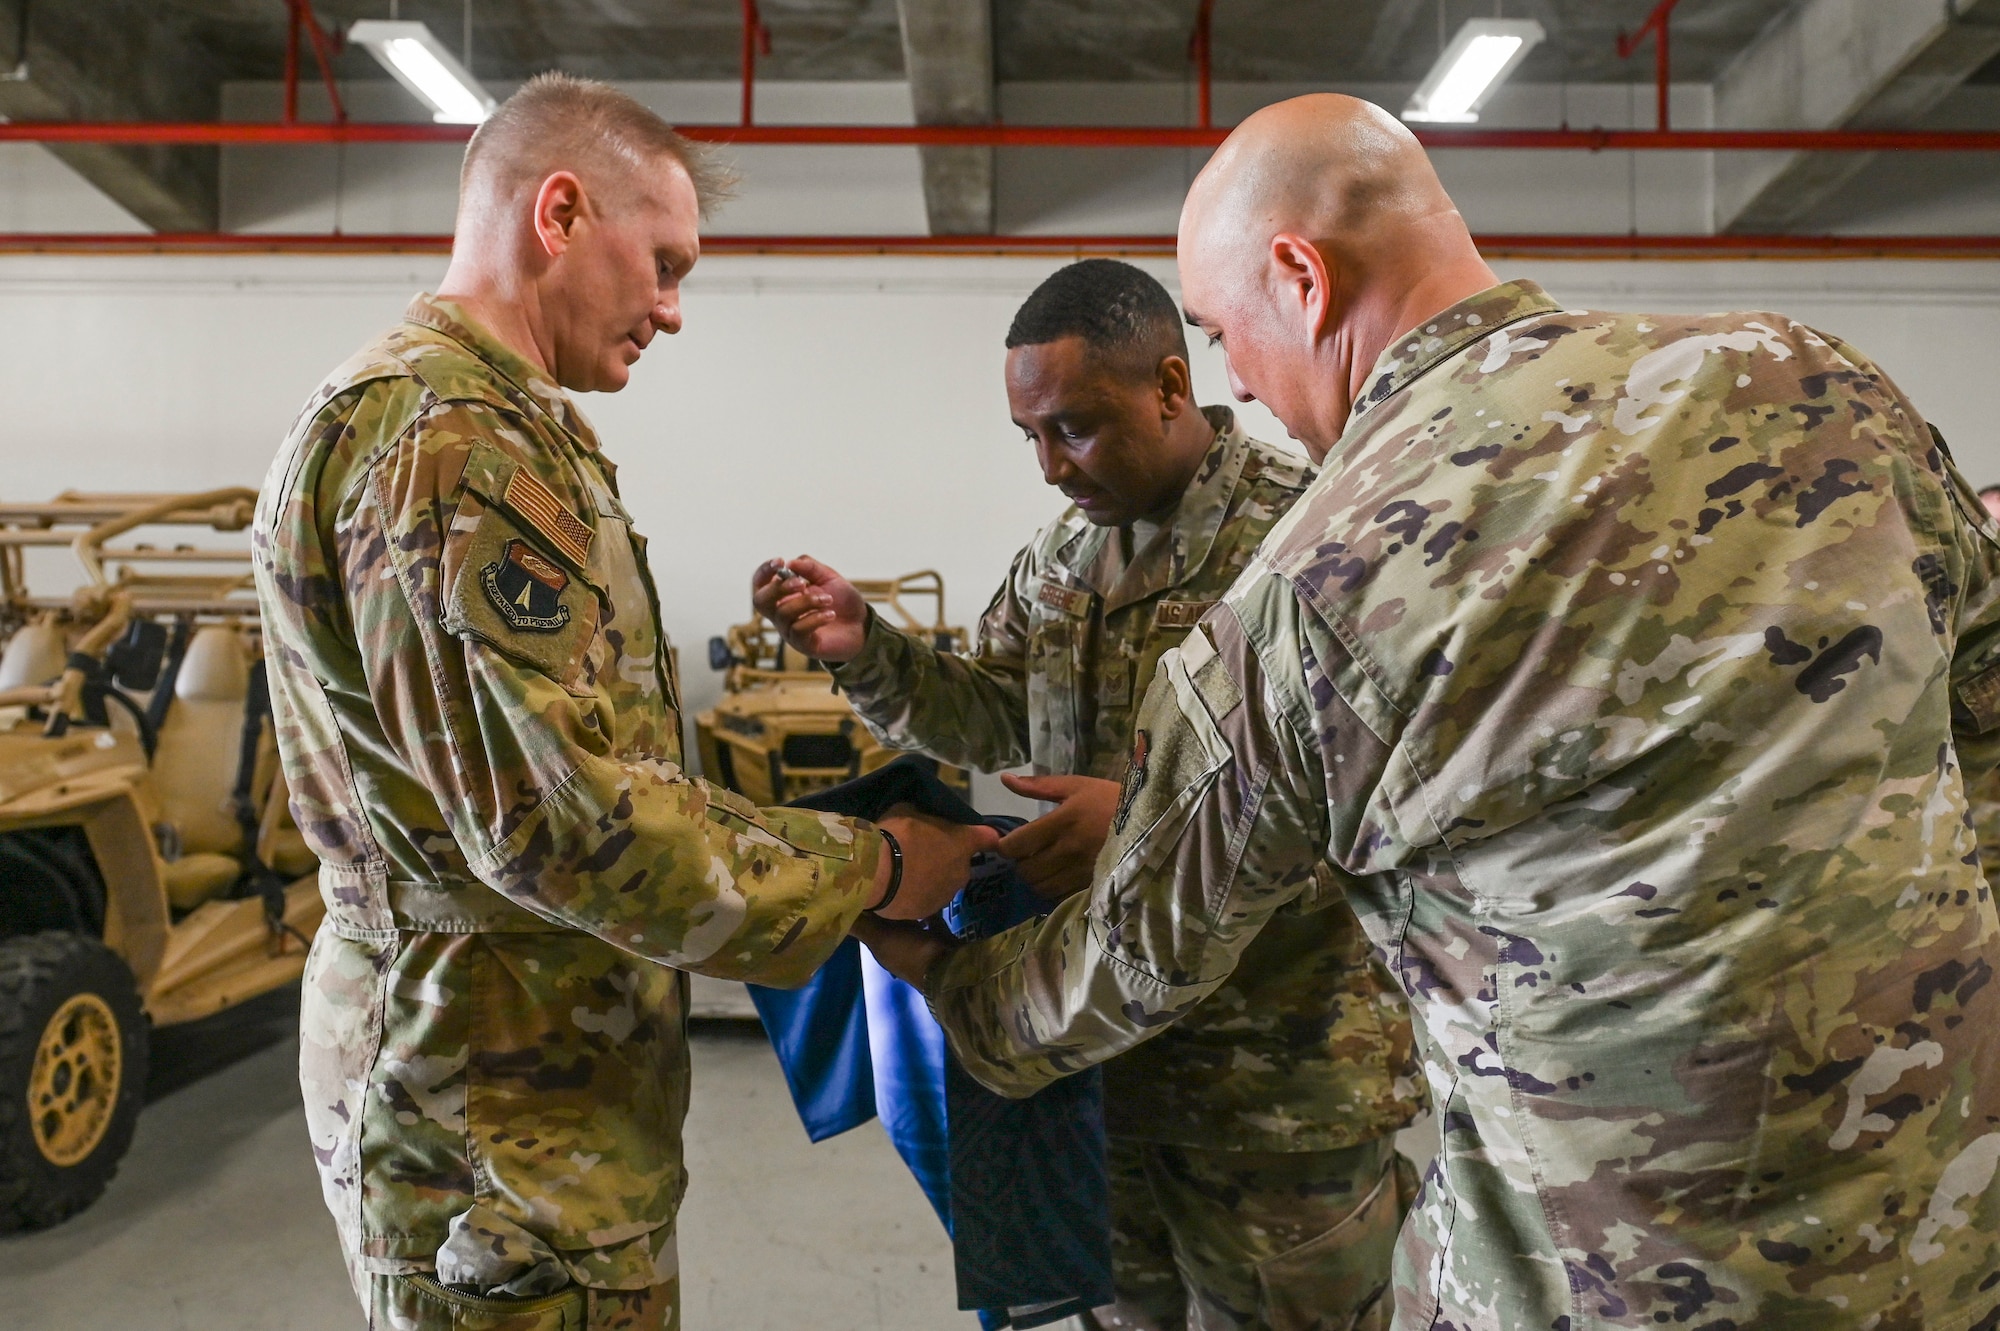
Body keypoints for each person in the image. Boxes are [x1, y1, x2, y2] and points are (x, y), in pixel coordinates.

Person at [862, 94, 2000, 1330]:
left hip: (1592, 1267)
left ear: (1298, 276)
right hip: (1929, 1223)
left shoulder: (1313, 576)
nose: (1233, 373)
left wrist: (945, 981)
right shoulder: (1809, 380)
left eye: (1219, 328)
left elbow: (1126, 958)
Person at [251, 73, 993, 1331]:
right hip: (491, 1105)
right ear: (557, 213)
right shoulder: (451, 443)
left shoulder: (487, 428)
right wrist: (869, 866)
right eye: (663, 261)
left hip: (526, 1076)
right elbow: (559, 822)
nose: (671, 309)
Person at [755, 259, 1421, 1331]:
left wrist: (1155, 827)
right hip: (1090, 1057)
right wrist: (864, 647)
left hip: (1271, 1083)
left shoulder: (1305, 544)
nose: (1050, 465)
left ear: (1168, 385)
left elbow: (1386, 794)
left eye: (1073, 426)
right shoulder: (1061, 557)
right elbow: (992, 717)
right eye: (1028, 435)